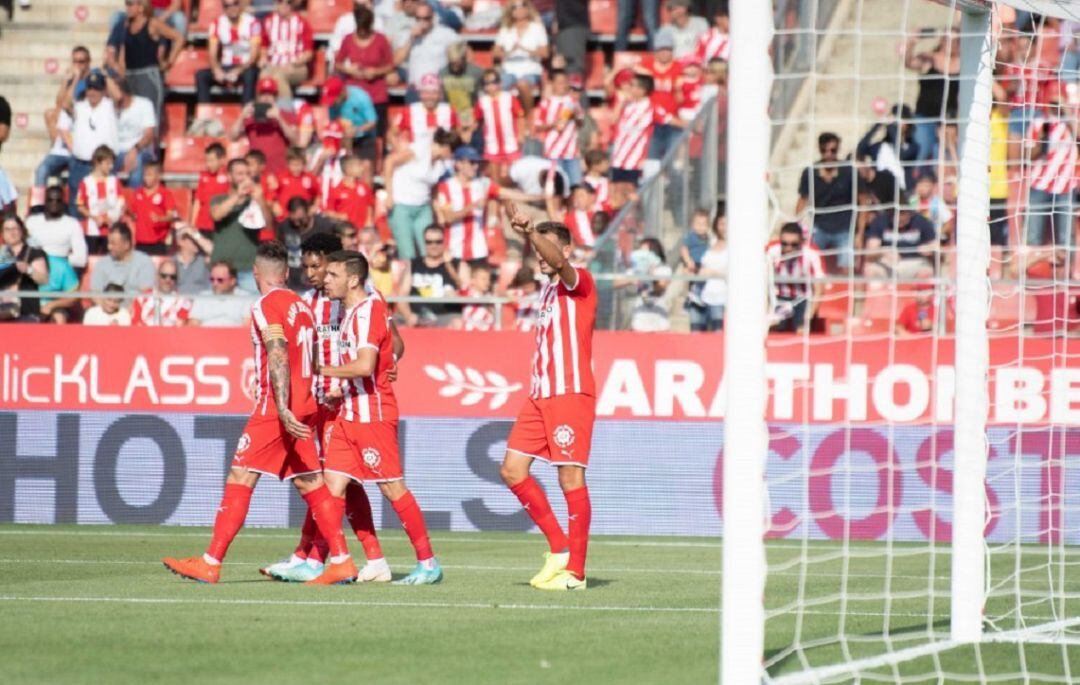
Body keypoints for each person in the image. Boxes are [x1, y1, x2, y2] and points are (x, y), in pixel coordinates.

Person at [163, 242, 353, 584]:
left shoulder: (266, 305)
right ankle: (341, 559)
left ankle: (210, 561)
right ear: (287, 273)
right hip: (307, 404)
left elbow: (277, 351)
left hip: (277, 408)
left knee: (240, 477)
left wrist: (280, 405)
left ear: (255, 274)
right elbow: (307, 357)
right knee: (312, 483)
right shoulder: (303, 306)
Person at [260, 234, 400, 583]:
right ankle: (355, 557)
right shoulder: (303, 303)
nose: (311, 274)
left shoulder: (363, 302)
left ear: (334, 265)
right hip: (315, 402)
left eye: (318, 266)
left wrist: (388, 362)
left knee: (330, 483)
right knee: (334, 484)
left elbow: (394, 343)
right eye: (305, 266)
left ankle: (312, 556)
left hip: (345, 403)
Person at [316, 249, 442, 585]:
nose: (325, 281)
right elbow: (394, 346)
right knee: (333, 485)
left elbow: (366, 365)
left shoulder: (369, 310)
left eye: (332, 275)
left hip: (374, 413)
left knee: (391, 486)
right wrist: (391, 359)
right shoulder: (350, 310)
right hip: (348, 412)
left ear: (353, 279)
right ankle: (371, 561)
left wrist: (320, 369)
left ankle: (428, 563)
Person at [498, 204, 595, 591]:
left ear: (566, 251)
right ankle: (558, 548)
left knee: (569, 475)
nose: (539, 255)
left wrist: (529, 230)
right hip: (540, 395)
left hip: (570, 392)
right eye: (536, 249)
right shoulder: (549, 292)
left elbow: (557, 259)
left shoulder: (579, 281)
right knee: (511, 470)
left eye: (547, 249)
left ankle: (577, 572)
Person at [434, 146, 541, 265]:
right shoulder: (445, 187)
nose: (476, 166)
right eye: (472, 162)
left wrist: (541, 196)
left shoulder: (482, 184)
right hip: (454, 250)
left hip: (479, 249)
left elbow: (510, 194)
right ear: (459, 164)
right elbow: (448, 217)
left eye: (477, 163)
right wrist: (472, 206)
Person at [384, 128, 457, 260]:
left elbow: (433, 188)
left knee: (428, 249)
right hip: (401, 205)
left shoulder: (441, 164)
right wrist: (389, 194)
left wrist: (438, 212)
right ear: (446, 147)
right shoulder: (419, 150)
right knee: (408, 253)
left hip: (423, 208)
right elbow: (390, 161)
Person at [105, 0, 184, 118]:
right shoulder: (124, 25)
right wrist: (119, 69)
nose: (127, 7)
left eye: (131, 4)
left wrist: (169, 62)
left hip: (148, 77)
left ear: (141, 7)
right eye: (126, 4)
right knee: (131, 119)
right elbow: (118, 50)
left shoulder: (152, 24)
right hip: (130, 76)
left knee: (149, 120)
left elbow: (179, 38)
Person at [610, 75, 682, 204]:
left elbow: (672, 120)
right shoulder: (626, 105)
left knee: (631, 194)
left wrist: (695, 125)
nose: (628, 87)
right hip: (618, 157)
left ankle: (636, 222)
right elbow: (613, 120)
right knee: (617, 193)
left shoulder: (650, 107)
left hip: (634, 159)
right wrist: (620, 102)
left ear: (642, 90)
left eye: (632, 85)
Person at [1024, 82, 1077, 250]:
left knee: (1066, 238)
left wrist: (1067, 112)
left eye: (1058, 100)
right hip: (1039, 185)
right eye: (1052, 101)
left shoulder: (1072, 123)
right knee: (1033, 236)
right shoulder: (1039, 122)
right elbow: (1028, 156)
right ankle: (1032, 273)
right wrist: (1040, 140)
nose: (1055, 105)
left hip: (1066, 186)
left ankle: (1065, 274)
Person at [209, 157, 274, 293]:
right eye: (240, 174)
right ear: (229, 176)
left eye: (247, 174)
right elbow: (216, 215)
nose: (245, 178)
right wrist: (238, 196)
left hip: (248, 270)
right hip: (221, 271)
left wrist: (261, 200)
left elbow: (269, 226)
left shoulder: (255, 202)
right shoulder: (218, 199)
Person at [26, 186, 88, 321]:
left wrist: (56, 263)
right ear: (45, 201)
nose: (54, 203)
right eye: (50, 200)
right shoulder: (32, 222)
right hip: (35, 277)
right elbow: (24, 252)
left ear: (63, 202)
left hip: (60, 283)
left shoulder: (72, 224)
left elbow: (81, 258)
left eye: (58, 200)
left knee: (58, 318)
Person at [334, 4, 394, 142]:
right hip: (353, 93)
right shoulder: (348, 39)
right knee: (352, 133)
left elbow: (390, 65)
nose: (362, 32)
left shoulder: (380, 40)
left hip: (375, 93)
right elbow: (337, 63)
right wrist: (348, 69)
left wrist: (375, 71)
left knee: (378, 137)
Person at [62, 71, 119, 218]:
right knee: (77, 205)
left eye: (96, 89)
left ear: (103, 90)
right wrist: (75, 80)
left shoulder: (110, 106)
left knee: (103, 205)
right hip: (79, 163)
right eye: (90, 88)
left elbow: (118, 96)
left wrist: (106, 76)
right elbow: (66, 104)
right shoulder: (81, 106)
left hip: (102, 165)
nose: (92, 92)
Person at [796, 132, 855, 272]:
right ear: (819, 150)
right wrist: (798, 226)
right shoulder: (810, 172)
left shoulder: (848, 171)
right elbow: (802, 200)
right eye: (824, 150)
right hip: (819, 227)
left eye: (833, 150)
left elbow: (862, 199)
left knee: (847, 264)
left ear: (838, 149)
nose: (828, 154)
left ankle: (843, 293)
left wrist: (858, 232)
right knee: (809, 260)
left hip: (844, 228)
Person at [904, 29, 960, 165]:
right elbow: (909, 63)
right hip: (925, 117)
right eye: (948, 39)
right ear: (942, 40)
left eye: (955, 40)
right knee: (922, 152)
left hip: (948, 121)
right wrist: (911, 43)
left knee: (943, 159)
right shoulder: (930, 59)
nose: (951, 44)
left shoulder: (962, 62)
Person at [197, 0, 262, 104]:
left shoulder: (252, 23)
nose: (232, 8)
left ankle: (246, 112)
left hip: (246, 66)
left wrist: (238, 70)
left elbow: (254, 56)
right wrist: (216, 69)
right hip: (227, 65)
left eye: (235, 4)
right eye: (227, 6)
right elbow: (212, 54)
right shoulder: (217, 23)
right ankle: (205, 114)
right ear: (224, 8)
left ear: (239, 4)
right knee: (201, 75)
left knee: (250, 74)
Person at [231, 77, 299, 174]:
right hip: (256, 173)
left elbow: (295, 140)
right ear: (258, 97)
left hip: (279, 171)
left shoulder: (285, 115)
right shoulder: (250, 116)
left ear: (276, 96)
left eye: (270, 94)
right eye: (263, 94)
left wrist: (279, 119)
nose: (266, 98)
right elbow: (233, 137)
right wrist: (241, 117)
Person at [397, 224, 461, 326]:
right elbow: (402, 294)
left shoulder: (457, 264)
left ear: (444, 242)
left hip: (445, 317)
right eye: (429, 242)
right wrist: (408, 315)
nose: (433, 245)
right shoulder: (413, 264)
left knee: (458, 323)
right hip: (417, 316)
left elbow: (465, 289)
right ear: (424, 243)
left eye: (438, 242)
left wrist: (449, 265)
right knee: (391, 324)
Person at [492, 0, 548, 115]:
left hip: (530, 69)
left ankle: (529, 117)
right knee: (494, 87)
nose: (519, 9)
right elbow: (495, 52)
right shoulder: (506, 29)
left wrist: (526, 50)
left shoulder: (537, 28)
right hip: (509, 69)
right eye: (515, 7)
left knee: (522, 84)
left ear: (528, 8)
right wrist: (510, 52)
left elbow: (545, 53)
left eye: (522, 5)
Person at [392, 2, 458, 99]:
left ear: (433, 17)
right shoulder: (407, 35)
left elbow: (465, 52)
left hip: (437, 89)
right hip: (415, 89)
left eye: (426, 18)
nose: (422, 22)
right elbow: (396, 61)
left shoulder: (446, 34)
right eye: (418, 18)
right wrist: (411, 40)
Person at [768, 222, 824, 334]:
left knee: (801, 331)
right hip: (781, 298)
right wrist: (767, 311)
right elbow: (762, 283)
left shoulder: (810, 256)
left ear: (801, 243)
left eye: (794, 244)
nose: (789, 248)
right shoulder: (772, 253)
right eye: (784, 244)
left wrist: (809, 317)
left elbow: (819, 289)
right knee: (772, 327)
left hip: (802, 299)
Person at [863, 199, 937, 281]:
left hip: (915, 263)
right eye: (896, 214)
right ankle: (879, 293)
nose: (899, 218)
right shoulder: (880, 222)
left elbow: (936, 246)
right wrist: (883, 251)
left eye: (902, 214)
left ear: (910, 213)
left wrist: (929, 248)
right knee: (871, 270)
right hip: (887, 263)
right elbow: (870, 252)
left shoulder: (921, 221)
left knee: (926, 273)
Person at [474, 70, 525, 183]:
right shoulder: (482, 102)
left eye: (494, 82)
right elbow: (478, 120)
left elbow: (520, 116)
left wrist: (521, 134)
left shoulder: (509, 98)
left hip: (510, 144)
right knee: (495, 179)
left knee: (513, 176)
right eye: (487, 83)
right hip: (492, 146)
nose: (491, 86)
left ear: (500, 83)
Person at [534, 69, 583, 186]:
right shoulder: (546, 103)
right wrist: (553, 125)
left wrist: (576, 116)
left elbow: (580, 123)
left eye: (564, 82)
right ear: (553, 84)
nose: (562, 85)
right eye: (559, 82)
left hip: (571, 152)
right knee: (556, 186)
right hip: (553, 152)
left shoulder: (573, 102)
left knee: (575, 186)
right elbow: (538, 126)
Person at [258, 0, 314, 102]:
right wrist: (263, 57)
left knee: (279, 77)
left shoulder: (302, 23)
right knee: (263, 76)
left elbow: (308, 53)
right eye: (280, 2)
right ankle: (262, 111)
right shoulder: (269, 21)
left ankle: (286, 112)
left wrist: (294, 63)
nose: (284, 5)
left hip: (296, 65)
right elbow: (264, 46)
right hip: (273, 63)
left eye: (288, 2)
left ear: (292, 4)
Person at [321, 77, 378, 172]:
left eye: (335, 98)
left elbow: (372, 122)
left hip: (364, 138)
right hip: (342, 138)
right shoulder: (333, 104)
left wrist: (356, 130)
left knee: (366, 166)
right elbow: (333, 121)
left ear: (342, 92)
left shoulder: (361, 97)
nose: (333, 102)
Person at [278, 197, 336, 291]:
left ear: (308, 212)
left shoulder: (324, 226)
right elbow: (280, 252)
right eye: (294, 220)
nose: (297, 224)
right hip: (292, 283)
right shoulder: (285, 226)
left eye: (301, 219)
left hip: (317, 283)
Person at [111, 77, 158, 189]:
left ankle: (135, 201)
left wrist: (135, 149)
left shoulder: (144, 104)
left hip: (141, 150)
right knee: (102, 164)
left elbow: (149, 135)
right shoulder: (109, 107)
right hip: (116, 152)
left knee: (138, 162)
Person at [0, 216, 49, 322]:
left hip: (26, 312)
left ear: (22, 231)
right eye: (7, 229)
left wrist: (28, 270)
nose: (11, 233)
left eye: (15, 228)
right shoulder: (2, 254)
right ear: (2, 233)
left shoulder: (34, 253)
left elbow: (44, 279)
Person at [77, 145, 126, 252]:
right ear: (98, 163)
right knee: (92, 258)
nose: (111, 166)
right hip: (93, 229)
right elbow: (80, 206)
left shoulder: (114, 181)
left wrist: (114, 217)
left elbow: (121, 202)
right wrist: (94, 217)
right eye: (108, 163)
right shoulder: (86, 182)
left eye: (111, 163)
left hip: (111, 230)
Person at [391, 73, 458, 146]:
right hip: (415, 153)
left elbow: (458, 134)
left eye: (434, 92)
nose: (430, 96)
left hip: (442, 153)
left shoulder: (449, 111)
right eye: (426, 92)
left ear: (440, 95)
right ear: (420, 94)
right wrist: (399, 148)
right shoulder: (408, 111)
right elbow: (391, 134)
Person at [686, 212, 726, 332]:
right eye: (721, 224)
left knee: (718, 336)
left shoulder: (738, 246)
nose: (724, 227)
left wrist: (712, 273)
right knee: (696, 337)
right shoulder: (709, 242)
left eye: (727, 224)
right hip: (699, 296)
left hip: (720, 298)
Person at [126, 160, 177, 254]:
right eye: (145, 175)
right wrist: (127, 210)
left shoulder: (165, 193)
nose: (146, 178)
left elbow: (171, 216)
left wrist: (160, 218)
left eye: (149, 175)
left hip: (158, 243)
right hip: (140, 242)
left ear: (158, 176)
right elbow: (133, 214)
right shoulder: (138, 192)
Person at [90, 223, 157, 293]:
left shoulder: (144, 263)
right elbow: (95, 293)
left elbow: (146, 293)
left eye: (113, 244)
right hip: (108, 303)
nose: (109, 247)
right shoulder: (102, 264)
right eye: (108, 243)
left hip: (136, 303)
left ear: (126, 244)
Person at [186, 260, 254, 326]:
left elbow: (246, 327)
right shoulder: (202, 297)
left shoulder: (245, 298)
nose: (215, 283)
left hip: (233, 336)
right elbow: (193, 324)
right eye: (212, 279)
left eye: (220, 280)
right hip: (205, 336)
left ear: (232, 281)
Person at [131, 259, 191, 326]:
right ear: (157, 276)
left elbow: (181, 327)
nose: (168, 280)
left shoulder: (183, 301)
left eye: (172, 277)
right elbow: (135, 324)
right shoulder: (141, 298)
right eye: (164, 276)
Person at [325, 154, 375, 229]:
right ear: (348, 169)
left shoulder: (364, 187)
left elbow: (369, 204)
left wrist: (369, 220)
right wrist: (338, 216)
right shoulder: (336, 190)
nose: (362, 168)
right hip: (346, 230)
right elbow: (328, 211)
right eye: (359, 165)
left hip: (363, 230)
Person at [439, 42, 484, 122]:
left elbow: (482, 97)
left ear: (463, 58)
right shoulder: (442, 74)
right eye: (452, 63)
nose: (454, 67)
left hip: (472, 116)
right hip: (450, 117)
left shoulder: (477, 73)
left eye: (457, 63)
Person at [191, 143, 230, 233]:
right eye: (207, 161)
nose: (208, 164)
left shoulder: (229, 176)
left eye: (212, 161)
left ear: (222, 159)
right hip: (203, 225)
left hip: (221, 225)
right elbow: (198, 201)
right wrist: (193, 223)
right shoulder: (203, 176)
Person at [272, 147, 319, 221]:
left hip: (304, 218)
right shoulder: (280, 177)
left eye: (299, 165)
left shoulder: (310, 178)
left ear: (304, 164)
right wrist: (274, 205)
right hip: (284, 218)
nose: (296, 168)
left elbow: (318, 194)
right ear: (287, 164)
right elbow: (272, 194)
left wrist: (314, 207)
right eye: (293, 165)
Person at [173, 225, 210, 295]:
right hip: (179, 302)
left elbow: (214, 252)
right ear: (180, 242)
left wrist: (196, 235)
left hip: (200, 302)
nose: (196, 241)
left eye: (196, 238)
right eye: (192, 238)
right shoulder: (172, 263)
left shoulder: (204, 261)